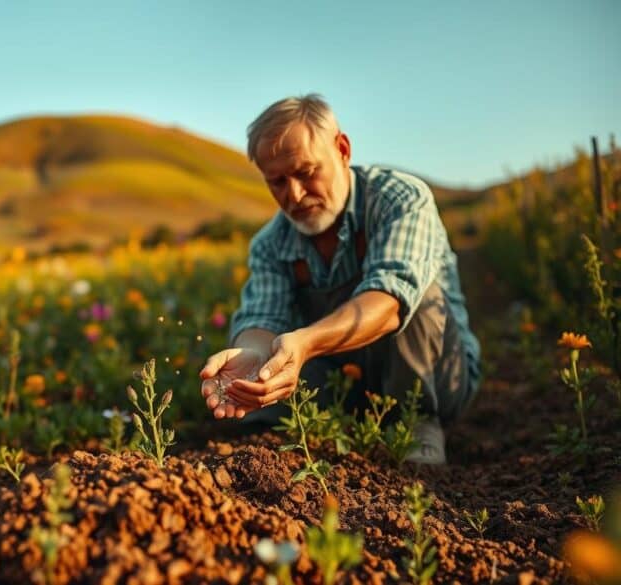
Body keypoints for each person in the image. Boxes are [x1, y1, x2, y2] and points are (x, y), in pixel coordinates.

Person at [199, 94, 480, 465]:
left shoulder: (398, 200)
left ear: (343, 149)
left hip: (436, 375)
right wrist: (254, 356)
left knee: (417, 296)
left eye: (305, 172)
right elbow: (262, 317)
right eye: (277, 182)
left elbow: (388, 301)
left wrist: (305, 343)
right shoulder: (271, 244)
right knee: (259, 410)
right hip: (342, 379)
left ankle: (417, 424)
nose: (294, 195)